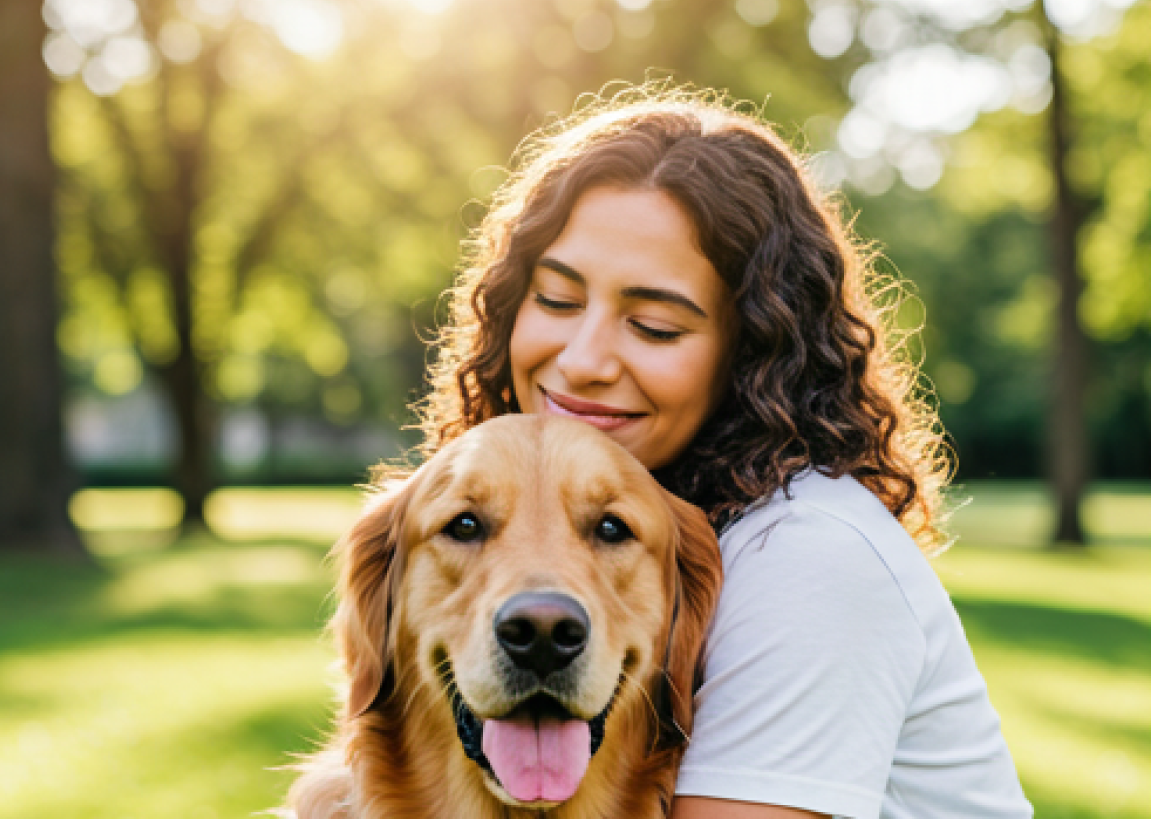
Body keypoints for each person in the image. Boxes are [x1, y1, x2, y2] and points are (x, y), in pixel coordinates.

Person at [414, 87, 1034, 818]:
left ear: (751, 354)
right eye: (555, 300)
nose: (582, 360)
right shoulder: (625, 519)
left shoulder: (806, 553)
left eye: (653, 326)